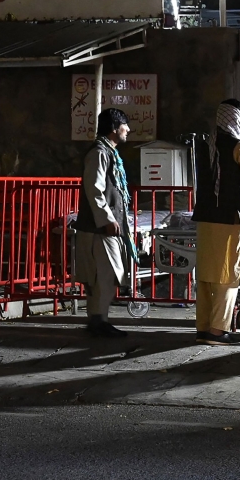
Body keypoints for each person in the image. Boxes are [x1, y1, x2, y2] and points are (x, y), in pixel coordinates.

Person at [191, 99, 240, 346]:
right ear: (238, 120)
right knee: (228, 276)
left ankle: (203, 327)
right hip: (230, 219)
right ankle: (217, 330)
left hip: (205, 218)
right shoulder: (238, 146)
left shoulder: (204, 145)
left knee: (206, 275)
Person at [75, 108, 132, 338]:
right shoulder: (100, 153)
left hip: (101, 227)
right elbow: (95, 188)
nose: (128, 129)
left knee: (103, 275)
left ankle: (99, 319)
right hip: (98, 228)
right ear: (114, 128)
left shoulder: (108, 153)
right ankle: (98, 320)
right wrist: (107, 219)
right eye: (124, 125)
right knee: (104, 274)